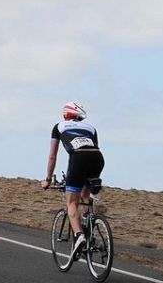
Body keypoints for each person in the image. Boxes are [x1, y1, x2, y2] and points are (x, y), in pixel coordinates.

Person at [41, 101, 104, 258]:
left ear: (65, 115)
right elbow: (92, 149)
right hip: (97, 158)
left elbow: (52, 156)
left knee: (71, 203)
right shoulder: (91, 128)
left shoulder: (59, 127)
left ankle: (79, 236)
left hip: (78, 159)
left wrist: (48, 179)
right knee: (84, 195)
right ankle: (90, 227)